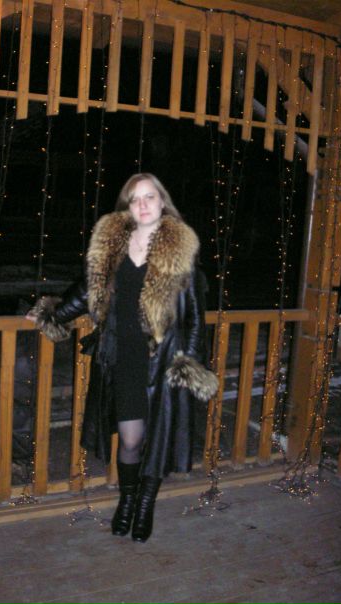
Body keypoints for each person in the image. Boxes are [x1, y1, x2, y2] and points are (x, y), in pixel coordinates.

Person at [26, 173, 218, 542]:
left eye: (149, 196)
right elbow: (87, 293)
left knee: (157, 437)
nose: (143, 204)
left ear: (162, 202)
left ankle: (145, 505)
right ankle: (128, 499)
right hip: (123, 356)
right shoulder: (111, 245)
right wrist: (52, 315)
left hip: (165, 361)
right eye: (135, 198)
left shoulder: (180, 251)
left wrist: (190, 364)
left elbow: (195, 316)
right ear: (127, 206)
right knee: (131, 440)